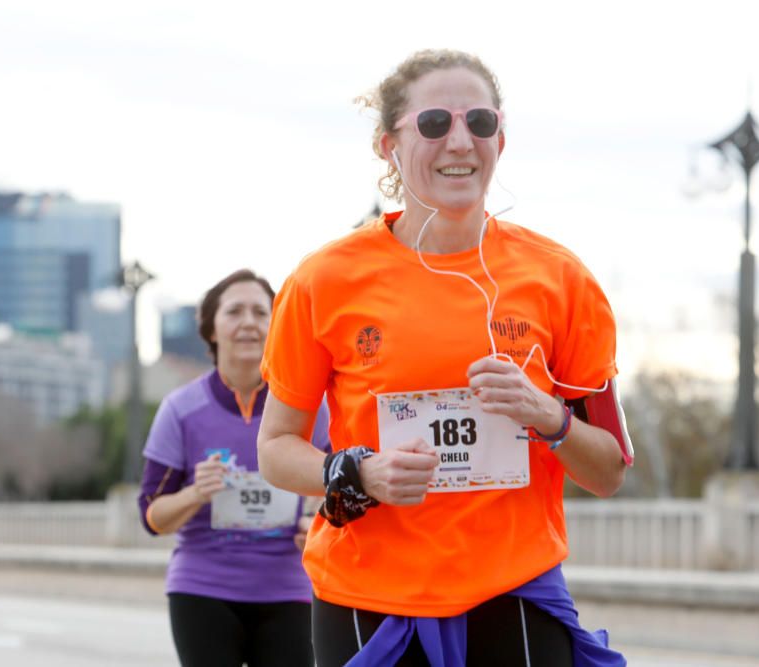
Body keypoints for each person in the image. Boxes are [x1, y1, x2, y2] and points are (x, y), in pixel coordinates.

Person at [257, 50, 634, 667]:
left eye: (479, 123)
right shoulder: (323, 280)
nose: (460, 141)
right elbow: (275, 448)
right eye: (435, 123)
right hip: (366, 595)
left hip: (513, 591)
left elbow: (609, 472)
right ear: (388, 145)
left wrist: (548, 415)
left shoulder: (562, 280)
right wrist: (359, 474)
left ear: (500, 140)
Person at [138, 268, 330, 667]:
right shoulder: (180, 409)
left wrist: (317, 521)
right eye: (234, 312)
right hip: (202, 589)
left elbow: (343, 488)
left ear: (277, 326)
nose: (248, 323)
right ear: (211, 329)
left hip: (290, 589)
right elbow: (152, 517)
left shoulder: (313, 408)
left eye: (261, 313)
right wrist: (196, 492)